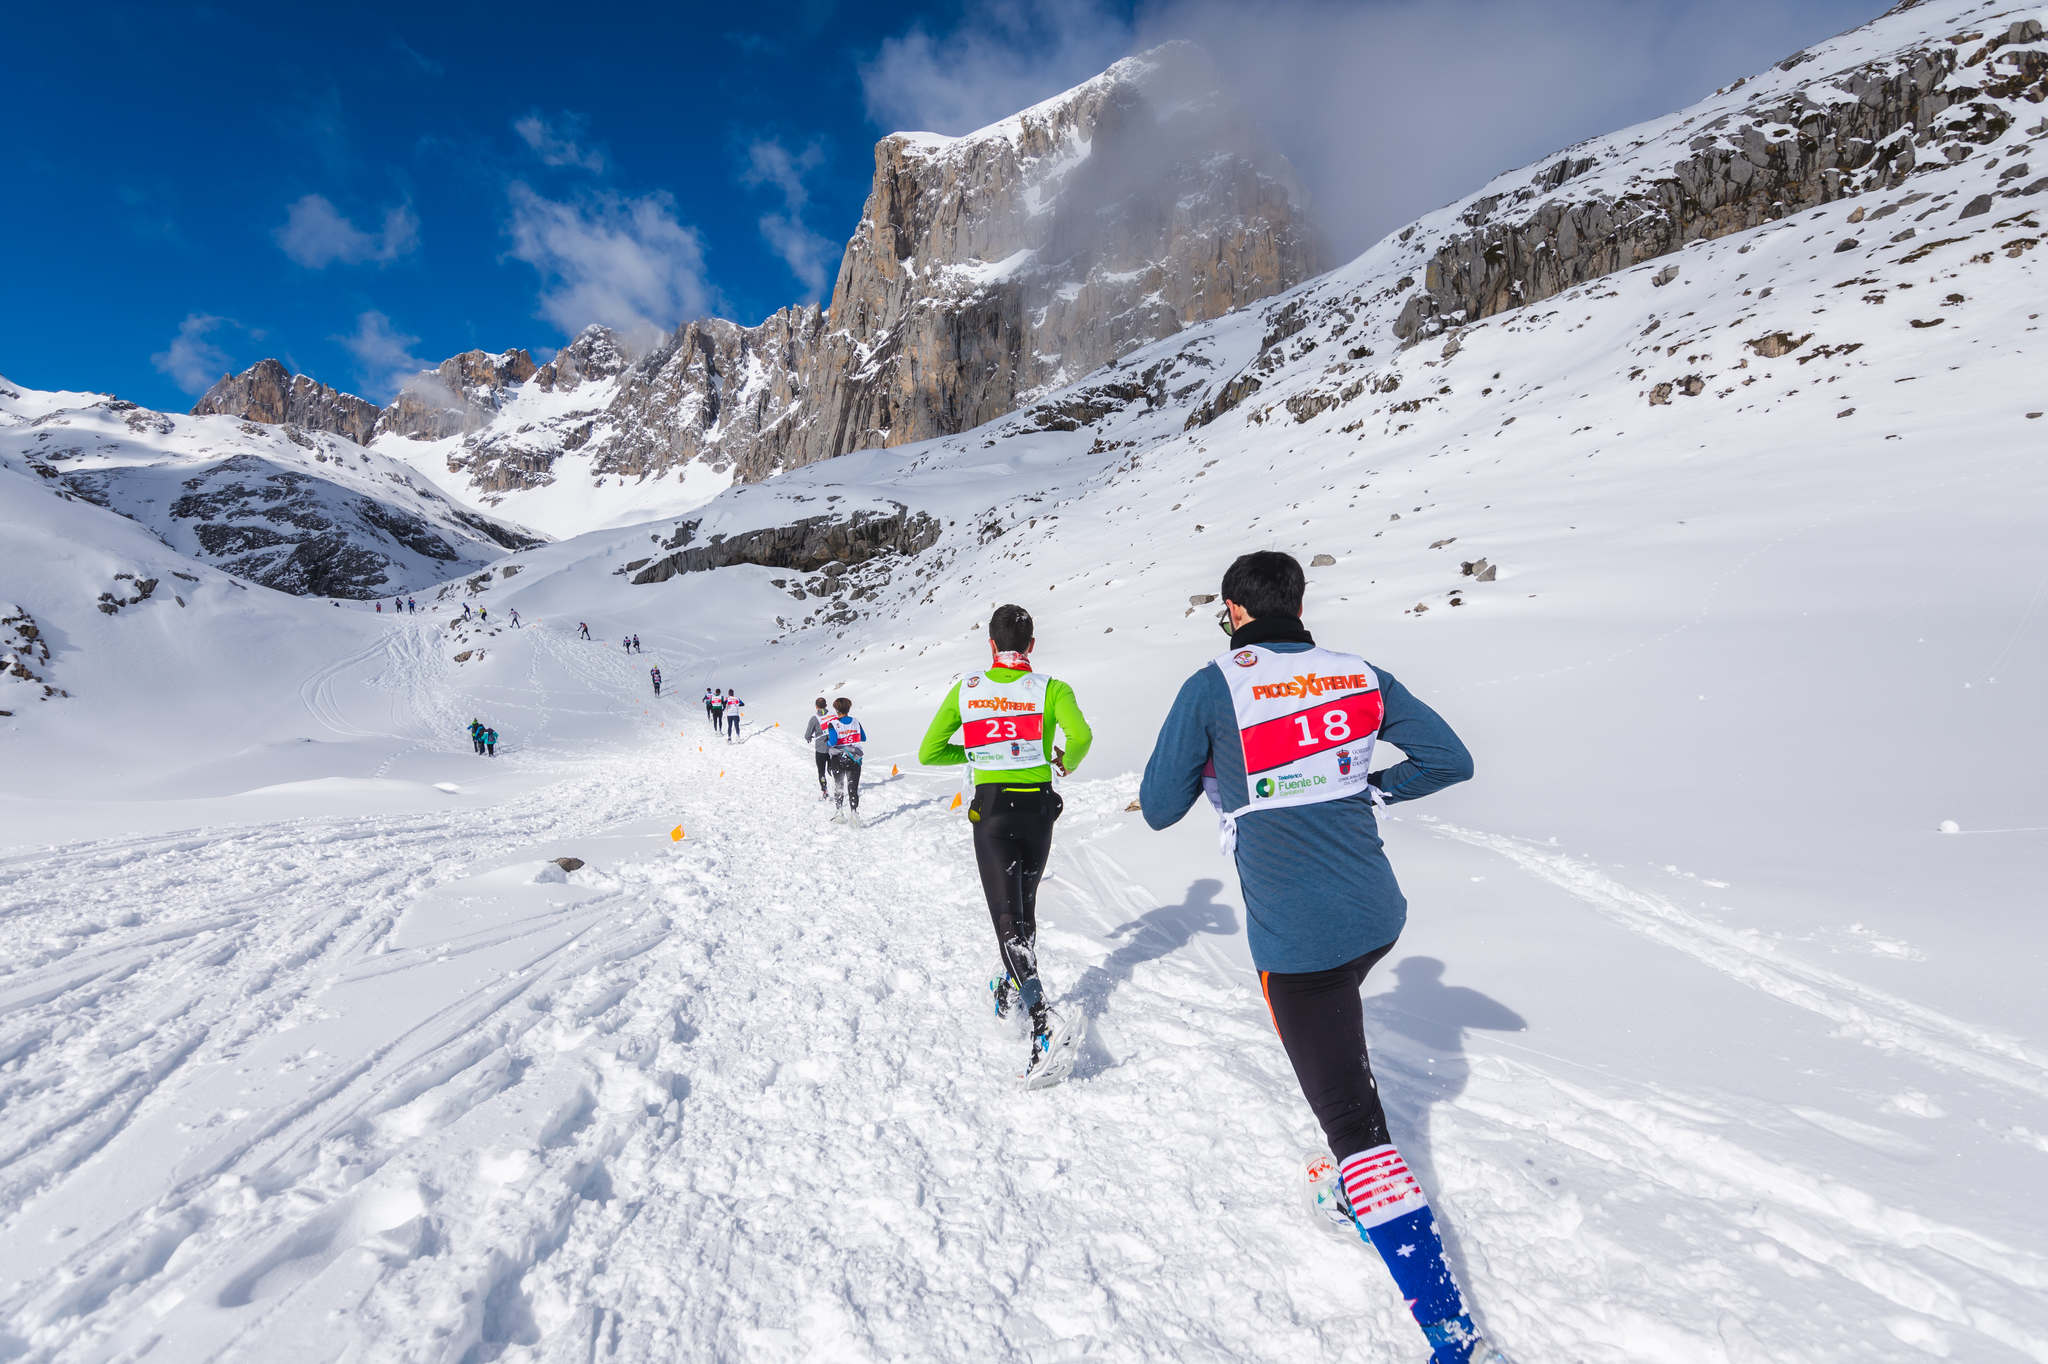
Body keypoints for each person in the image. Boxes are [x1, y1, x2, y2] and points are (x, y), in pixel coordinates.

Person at [1136, 551, 1501, 1364]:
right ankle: (1357, 1152)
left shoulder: (1214, 684)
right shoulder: (1357, 672)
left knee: (1353, 1123)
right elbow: (1450, 761)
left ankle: (1456, 1337)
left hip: (1297, 943)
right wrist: (1372, 789)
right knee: (1339, 1038)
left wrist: (1219, 766)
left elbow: (1160, 807)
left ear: (1232, 611)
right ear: (1299, 604)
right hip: (1378, 918)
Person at [917, 603, 1093, 1079]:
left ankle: (1043, 1021)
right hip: (1039, 808)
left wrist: (973, 748)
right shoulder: (1052, 688)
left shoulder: (968, 689)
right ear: (1031, 646)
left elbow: (929, 751)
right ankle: (1014, 990)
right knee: (1025, 908)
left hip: (993, 810)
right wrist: (1063, 760)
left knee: (1006, 919)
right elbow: (1081, 737)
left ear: (991, 646)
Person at [822, 697, 867, 824]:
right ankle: (854, 813)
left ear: (836, 709)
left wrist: (828, 740)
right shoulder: (856, 722)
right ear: (848, 708)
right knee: (853, 787)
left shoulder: (833, 724)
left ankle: (840, 813)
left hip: (838, 758)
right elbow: (863, 737)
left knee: (839, 786)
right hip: (855, 758)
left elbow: (834, 741)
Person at [803, 698, 832, 799]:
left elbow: (807, 735)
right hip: (833, 747)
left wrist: (809, 738)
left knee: (821, 771)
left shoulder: (814, 718)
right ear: (826, 705)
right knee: (835, 769)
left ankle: (825, 790)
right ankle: (831, 766)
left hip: (821, 749)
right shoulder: (832, 716)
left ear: (816, 706)